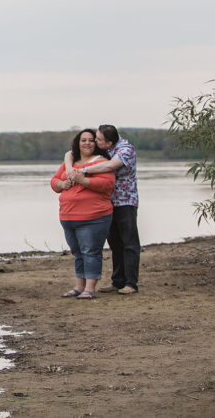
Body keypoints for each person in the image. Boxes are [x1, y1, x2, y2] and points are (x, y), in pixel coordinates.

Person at [65, 124, 140, 294]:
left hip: (125, 201)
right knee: (115, 243)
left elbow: (108, 166)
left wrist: (82, 170)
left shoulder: (125, 150)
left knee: (129, 242)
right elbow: (70, 153)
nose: (95, 142)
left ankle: (131, 283)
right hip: (107, 203)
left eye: (98, 139)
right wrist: (70, 168)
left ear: (109, 142)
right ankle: (118, 281)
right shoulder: (104, 150)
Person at [50, 129, 116, 300]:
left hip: (93, 217)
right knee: (78, 253)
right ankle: (79, 286)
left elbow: (107, 184)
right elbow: (54, 181)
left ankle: (90, 288)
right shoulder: (70, 163)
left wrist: (83, 181)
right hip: (68, 217)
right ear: (77, 143)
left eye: (91, 140)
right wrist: (62, 184)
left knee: (90, 252)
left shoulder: (101, 162)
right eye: (83, 140)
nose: (87, 143)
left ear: (96, 143)